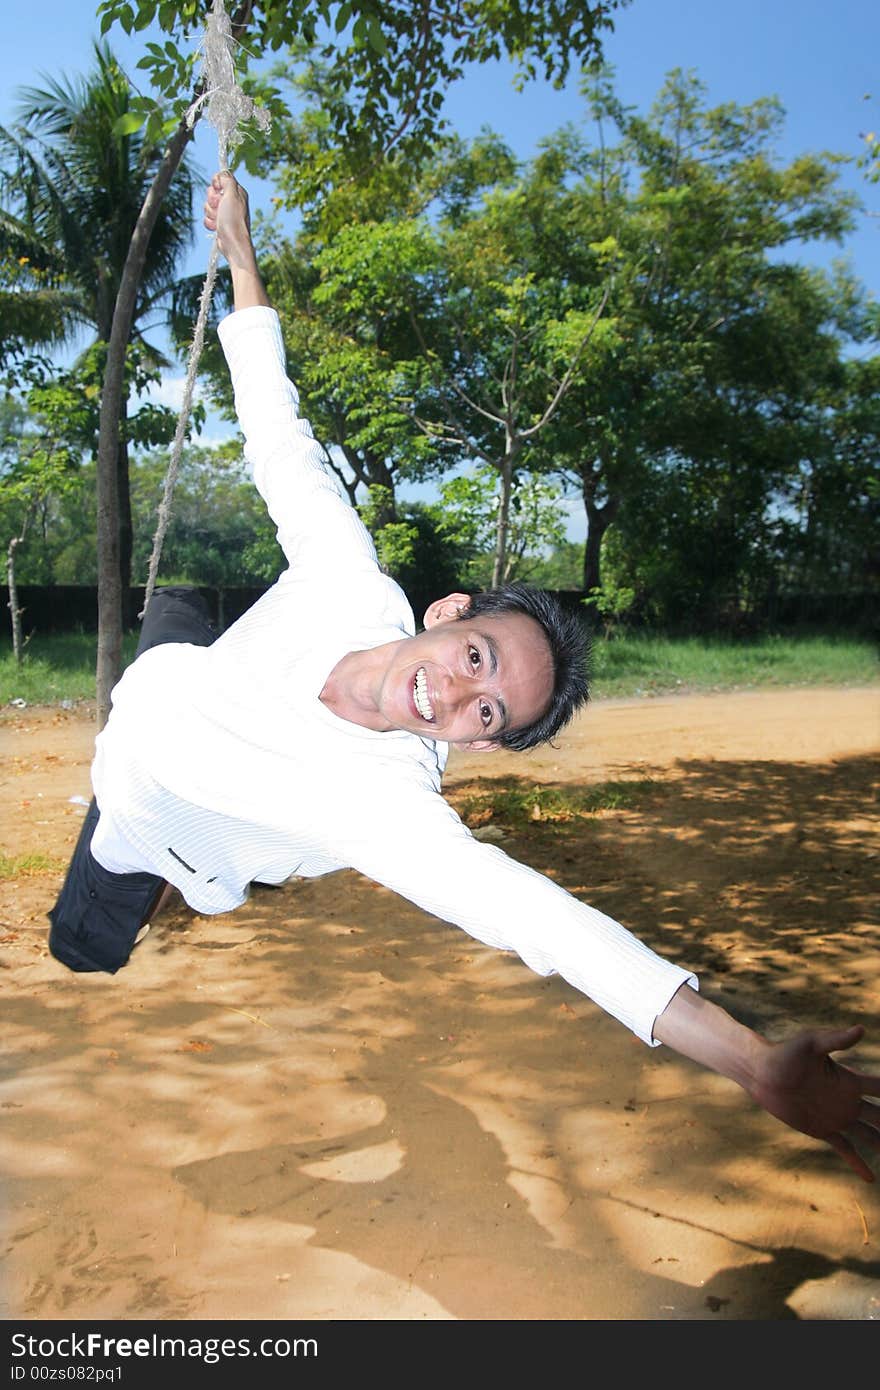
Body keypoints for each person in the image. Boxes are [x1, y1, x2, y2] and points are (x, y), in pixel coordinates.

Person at [49, 172, 880, 1184]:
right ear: (447, 614)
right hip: (174, 699)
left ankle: (157, 886)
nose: (451, 695)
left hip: (156, 821)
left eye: (485, 712)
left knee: (84, 942)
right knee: (177, 623)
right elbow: (278, 430)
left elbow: (545, 921)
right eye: (473, 659)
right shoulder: (349, 578)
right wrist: (240, 250)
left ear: (478, 740)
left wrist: (751, 1058)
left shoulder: (389, 807)